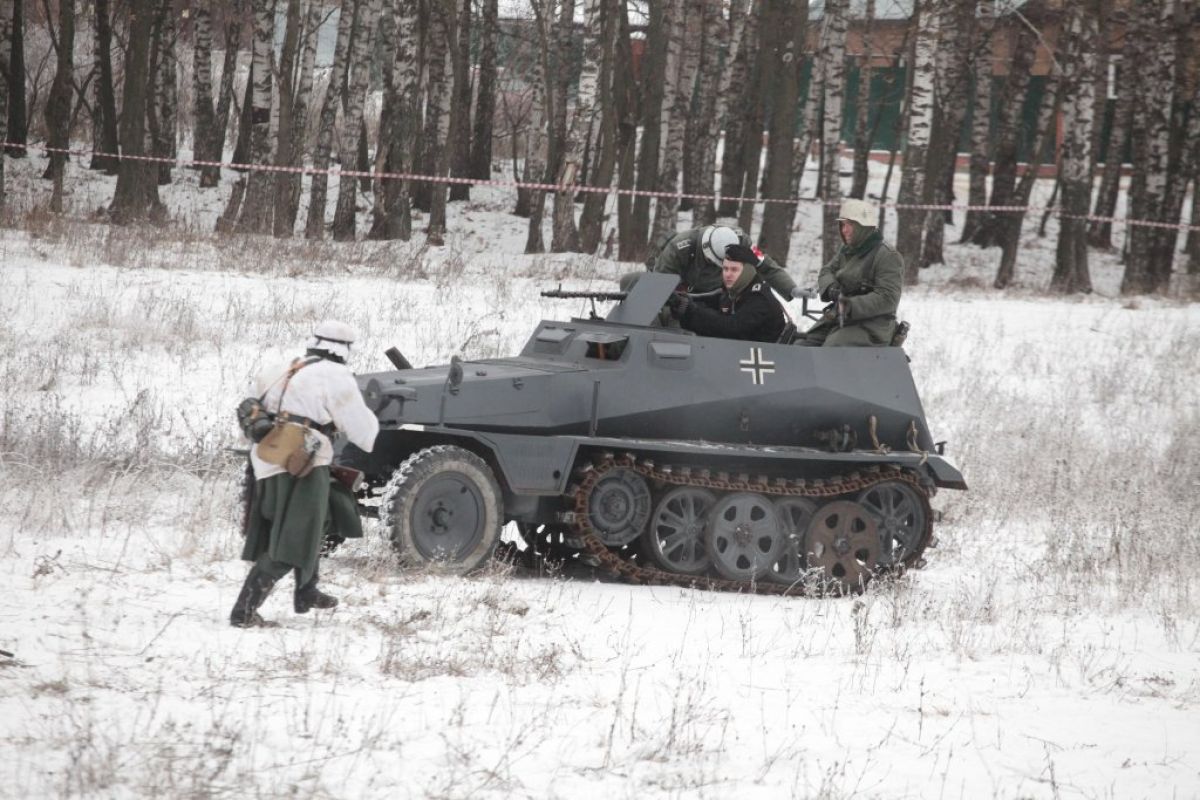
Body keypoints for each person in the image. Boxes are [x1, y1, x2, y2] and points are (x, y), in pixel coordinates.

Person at [231, 320, 380, 628]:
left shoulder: (287, 367)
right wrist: (374, 415)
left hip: (268, 459)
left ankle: (307, 590)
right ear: (344, 348)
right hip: (301, 464)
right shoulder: (336, 376)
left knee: (328, 511)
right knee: (295, 536)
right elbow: (364, 434)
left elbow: (252, 402)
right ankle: (244, 612)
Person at [800, 198, 903, 347]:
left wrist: (850, 305)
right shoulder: (847, 251)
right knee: (801, 345)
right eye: (842, 225)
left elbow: (888, 298)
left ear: (863, 226)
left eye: (849, 225)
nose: (844, 230)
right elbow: (827, 271)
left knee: (831, 350)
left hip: (872, 326)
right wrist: (831, 287)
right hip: (839, 318)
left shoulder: (888, 256)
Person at [622, 224, 806, 300]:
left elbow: (767, 267)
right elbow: (659, 286)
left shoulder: (742, 243)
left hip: (720, 296)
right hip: (683, 294)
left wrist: (791, 289)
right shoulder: (681, 247)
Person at [667, 257, 787, 342]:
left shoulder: (759, 299)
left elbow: (731, 328)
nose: (728, 274)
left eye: (734, 270)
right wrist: (683, 302)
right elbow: (710, 302)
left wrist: (693, 310)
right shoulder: (736, 290)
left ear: (747, 272)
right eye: (725, 269)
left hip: (761, 361)